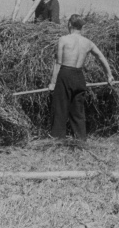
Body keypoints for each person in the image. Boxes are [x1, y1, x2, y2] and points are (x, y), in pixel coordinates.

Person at [48, 14, 114, 145]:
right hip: (79, 76)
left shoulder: (63, 39)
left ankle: (57, 140)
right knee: (78, 110)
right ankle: (81, 140)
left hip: (65, 74)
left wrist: (53, 82)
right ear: (81, 27)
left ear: (69, 24)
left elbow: (58, 63)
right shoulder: (88, 42)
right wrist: (109, 75)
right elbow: (101, 57)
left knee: (60, 108)